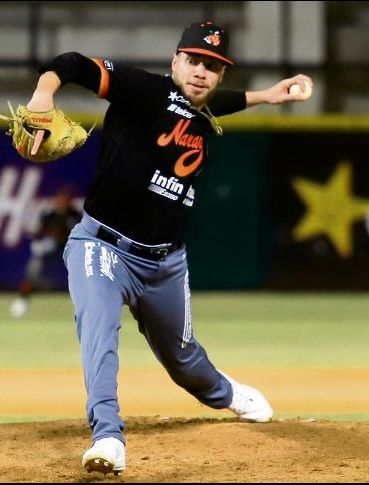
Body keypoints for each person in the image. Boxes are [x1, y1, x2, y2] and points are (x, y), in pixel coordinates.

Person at [25, 20, 313, 475]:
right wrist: (44, 94)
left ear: (220, 76)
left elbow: (213, 103)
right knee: (99, 335)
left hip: (165, 262)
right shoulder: (141, 89)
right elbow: (73, 64)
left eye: (212, 67)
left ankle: (228, 393)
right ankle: (107, 437)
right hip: (103, 247)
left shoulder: (204, 110)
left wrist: (266, 96)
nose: (201, 72)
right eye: (193, 61)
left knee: (184, 363)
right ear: (176, 61)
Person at [9, 187, 82, 318]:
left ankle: (86, 304)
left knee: (85, 274)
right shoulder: (49, 216)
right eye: (61, 200)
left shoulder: (75, 215)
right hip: (52, 249)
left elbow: (79, 234)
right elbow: (40, 232)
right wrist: (41, 242)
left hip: (72, 249)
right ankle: (22, 300)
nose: (63, 202)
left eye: (66, 200)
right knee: (33, 271)